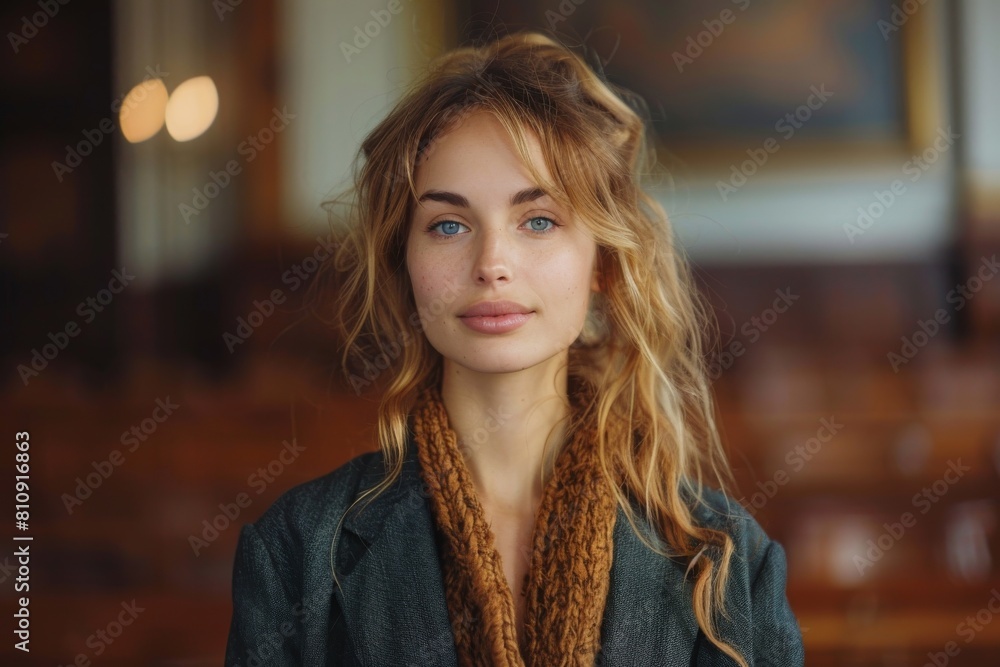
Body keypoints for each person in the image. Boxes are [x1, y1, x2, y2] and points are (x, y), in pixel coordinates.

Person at [225, 30, 804, 667]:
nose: (491, 263)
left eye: (539, 220)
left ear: (602, 263)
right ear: (404, 263)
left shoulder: (729, 560)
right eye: (449, 224)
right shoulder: (294, 550)